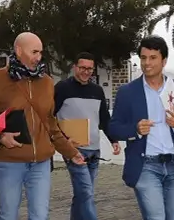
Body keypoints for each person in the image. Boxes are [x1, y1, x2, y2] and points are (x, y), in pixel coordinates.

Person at [0, 32, 84, 220]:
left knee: (40, 216)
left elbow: (50, 123)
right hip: (9, 162)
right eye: (34, 52)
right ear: (18, 50)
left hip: (41, 163)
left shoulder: (47, 82)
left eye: (40, 52)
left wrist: (71, 152)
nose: (38, 57)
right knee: (8, 215)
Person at [108, 36, 174, 220]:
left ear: (164, 61)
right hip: (145, 166)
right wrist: (135, 129)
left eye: (153, 57)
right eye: (143, 57)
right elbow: (113, 128)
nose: (147, 63)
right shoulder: (127, 92)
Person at [53, 52, 122, 220]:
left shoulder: (97, 91)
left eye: (90, 69)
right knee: (86, 193)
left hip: (94, 151)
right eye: (82, 68)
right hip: (74, 151)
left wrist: (113, 139)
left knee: (82, 195)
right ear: (74, 67)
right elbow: (50, 117)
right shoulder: (62, 88)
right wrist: (63, 140)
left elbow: (104, 118)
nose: (86, 72)